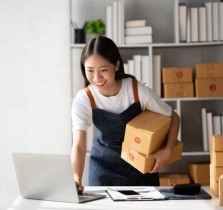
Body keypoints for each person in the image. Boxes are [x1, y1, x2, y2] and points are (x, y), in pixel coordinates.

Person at [71, 36, 180, 192]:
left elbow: (174, 118)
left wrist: (167, 152)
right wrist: (76, 179)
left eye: (103, 70)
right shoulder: (84, 99)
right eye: (90, 71)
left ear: (116, 65)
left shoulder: (137, 91)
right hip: (103, 167)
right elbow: (79, 146)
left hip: (141, 167)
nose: (96, 78)